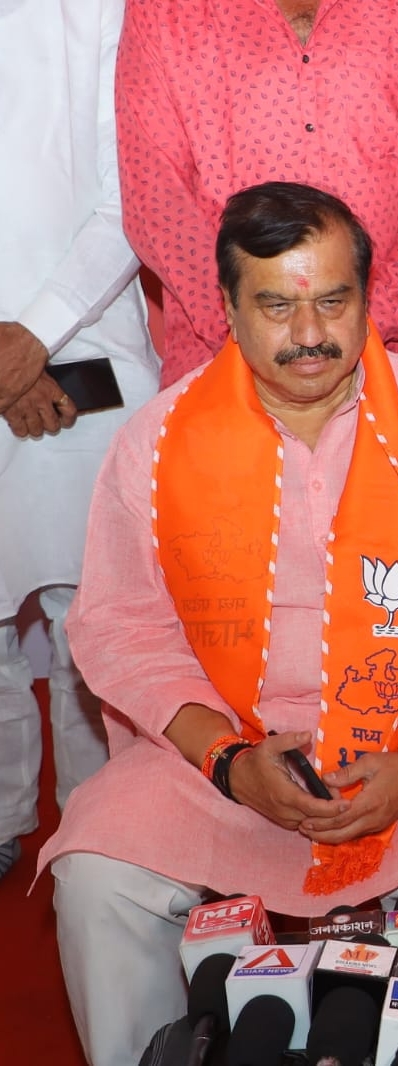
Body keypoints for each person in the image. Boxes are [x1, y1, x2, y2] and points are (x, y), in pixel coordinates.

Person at [39, 183, 398, 1066]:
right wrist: (230, 763)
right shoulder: (159, 441)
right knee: (97, 873)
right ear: (228, 310)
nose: (310, 333)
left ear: (366, 298)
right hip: (221, 755)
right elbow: (122, 629)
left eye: (333, 301)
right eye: (276, 305)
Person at [0, 0, 160, 880]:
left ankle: (100, 833)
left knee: (92, 617)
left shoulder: (99, 8)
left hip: (85, 346)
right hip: (32, 357)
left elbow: (130, 193)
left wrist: (33, 335)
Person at [116, 0, 398, 387]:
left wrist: (359, 320)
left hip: (388, 358)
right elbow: (156, 199)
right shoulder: (165, 10)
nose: (309, 333)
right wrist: (250, 323)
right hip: (222, 363)